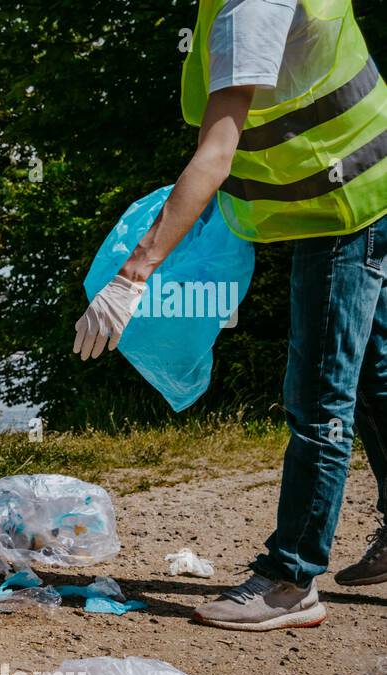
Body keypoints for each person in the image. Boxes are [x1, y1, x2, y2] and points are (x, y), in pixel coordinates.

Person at [74, 0, 386, 631]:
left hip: (343, 208)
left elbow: (217, 153)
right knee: (373, 379)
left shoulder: (248, 10)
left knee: (318, 398)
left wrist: (134, 274)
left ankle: (289, 581)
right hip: (366, 184)